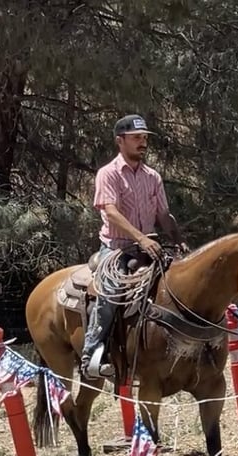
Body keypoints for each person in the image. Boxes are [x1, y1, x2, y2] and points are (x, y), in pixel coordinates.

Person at [81, 114, 189, 379]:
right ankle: (91, 354)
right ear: (120, 141)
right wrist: (140, 238)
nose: (143, 143)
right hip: (117, 248)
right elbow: (111, 212)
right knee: (109, 293)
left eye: (144, 138)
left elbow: (164, 215)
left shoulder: (153, 177)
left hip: (150, 245)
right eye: (136, 138)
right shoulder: (108, 174)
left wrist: (179, 240)